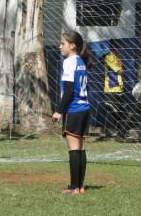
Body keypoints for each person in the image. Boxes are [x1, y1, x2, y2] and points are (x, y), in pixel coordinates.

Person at [51, 31, 92, 195]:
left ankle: (74, 187)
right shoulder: (81, 61)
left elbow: (68, 91)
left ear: (72, 45)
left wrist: (58, 111)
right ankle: (80, 186)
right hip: (85, 109)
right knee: (80, 148)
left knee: (74, 150)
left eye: (63, 43)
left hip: (74, 110)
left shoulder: (69, 62)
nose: (60, 46)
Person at [102, 40, 126, 140]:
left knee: (119, 111)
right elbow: (120, 70)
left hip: (119, 88)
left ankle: (118, 131)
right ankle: (111, 131)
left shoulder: (116, 57)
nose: (119, 49)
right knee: (112, 110)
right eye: (117, 47)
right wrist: (122, 66)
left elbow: (121, 69)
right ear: (113, 47)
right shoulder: (109, 56)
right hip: (111, 88)